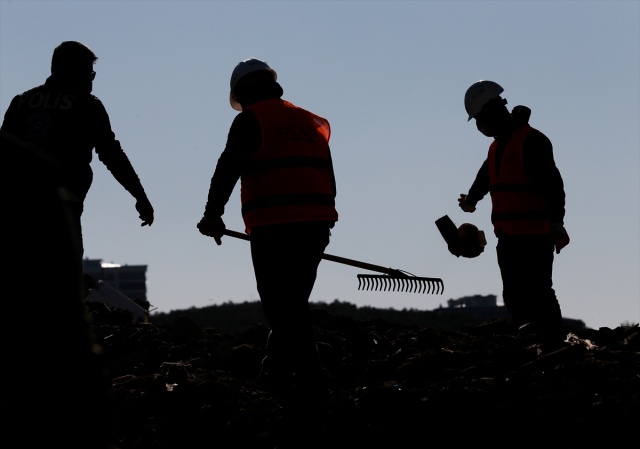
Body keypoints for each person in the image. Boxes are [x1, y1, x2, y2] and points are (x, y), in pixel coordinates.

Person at [1, 40, 155, 448]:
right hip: (58, 217)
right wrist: (140, 195)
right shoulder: (88, 107)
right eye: (88, 71)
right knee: (62, 303)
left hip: (15, 220)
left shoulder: (22, 102)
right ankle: (66, 393)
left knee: (21, 301)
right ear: (70, 69)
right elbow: (110, 153)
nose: (92, 78)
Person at [197, 57, 338, 445]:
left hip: (276, 227)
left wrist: (212, 214)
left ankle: (312, 386)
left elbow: (228, 167)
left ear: (242, 93)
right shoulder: (311, 121)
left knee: (282, 307)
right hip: (316, 225)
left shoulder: (251, 120)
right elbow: (328, 176)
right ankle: (275, 370)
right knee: (291, 303)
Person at [458, 80, 570, 345]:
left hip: (534, 234)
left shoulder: (532, 140)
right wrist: (472, 199)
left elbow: (554, 186)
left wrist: (557, 223)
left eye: (479, 120)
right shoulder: (498, 145)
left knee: (540, 292)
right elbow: (486, 174)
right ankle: (529, 341)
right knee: (514, 294)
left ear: (493, 111)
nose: (479, 127)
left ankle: (554, 344)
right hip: (507, 235)